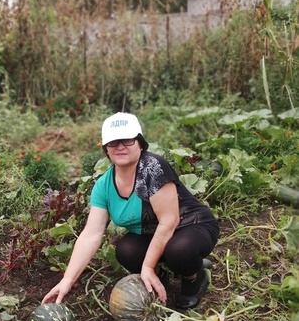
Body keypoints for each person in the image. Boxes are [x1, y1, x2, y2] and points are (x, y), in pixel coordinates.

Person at [42, 112, 220, 309]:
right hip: (156, 234)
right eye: (113, 142)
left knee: (180, 250)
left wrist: (147, 266)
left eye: (127, 140)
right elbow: (91, 235)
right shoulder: (103, 186)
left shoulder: (152, 167)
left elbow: (168, 222)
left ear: (140, 143)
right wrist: (67, 280)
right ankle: (162, 276)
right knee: (126, 251)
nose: (120, 146)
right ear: (106, 149)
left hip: (192, 225)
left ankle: (194, 277)